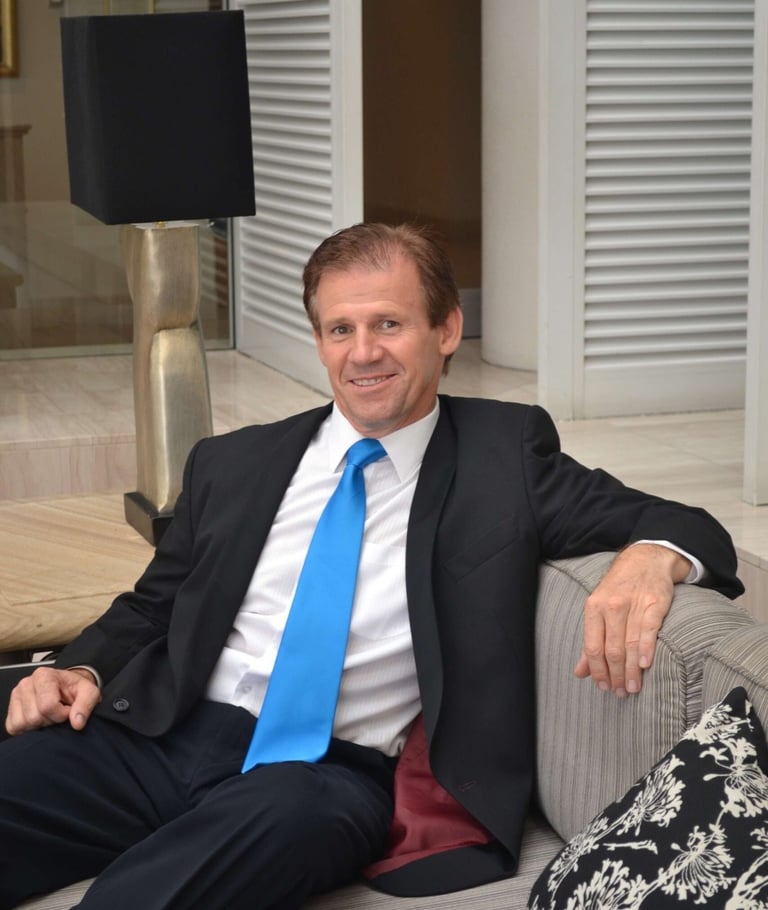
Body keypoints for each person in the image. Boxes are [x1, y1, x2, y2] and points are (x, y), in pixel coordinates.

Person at [0, 223, 743, 909]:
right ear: (320, 342)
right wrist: (80, 667)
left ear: (446, 330)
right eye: (341, 329)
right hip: (162, 738)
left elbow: (688, 524)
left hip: (324, 774)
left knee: (268, 829)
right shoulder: (233, 462)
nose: (363, 353)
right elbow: (153, 603)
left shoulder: (505, 456)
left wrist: (650, 558)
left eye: (388, 324)